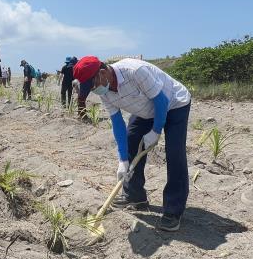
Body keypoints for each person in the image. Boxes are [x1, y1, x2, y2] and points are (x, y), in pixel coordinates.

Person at [74, 56, 191, 232]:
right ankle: (135, 196)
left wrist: (156, 131)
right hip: (145, 110)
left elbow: (161, 101)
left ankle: (173, 210)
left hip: (174, 103)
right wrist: (122, 160)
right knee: (131, 141)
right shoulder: (105, 92)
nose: (93, 90)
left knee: (174, 153)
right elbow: (118, 123)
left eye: (93, 85)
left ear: (103, 72)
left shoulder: (135, 72)